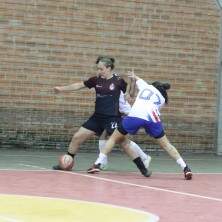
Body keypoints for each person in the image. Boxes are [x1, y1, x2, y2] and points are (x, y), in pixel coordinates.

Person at [52, 56, 151, 177]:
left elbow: (130, 95)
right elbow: (79, 85)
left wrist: (133, 83)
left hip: (112, 118)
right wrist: (61, 89)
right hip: (97, 117)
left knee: (123, 142)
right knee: (77, 137)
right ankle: (67, 163)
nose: (99, 71)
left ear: (109, 68)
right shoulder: (96, 80)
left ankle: (143, 168)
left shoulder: (119, 81)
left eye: (101, 69)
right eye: (97, 69)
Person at [88, 71, 193, 180]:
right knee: (167, 145)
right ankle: (185, 168)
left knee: (113, 138)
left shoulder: (146, 86)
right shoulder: (162, 99)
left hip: (135, 115)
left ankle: (98, 163)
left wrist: (133, 76)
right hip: (152, 118)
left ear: (153, 85)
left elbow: (137, 79)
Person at [98, 90, 152, 170]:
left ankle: (144, 157)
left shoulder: (116, 92)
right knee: (105, 135)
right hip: (117, 116)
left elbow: (123, 108)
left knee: (122, 140)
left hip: (124, 116)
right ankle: (102, 162)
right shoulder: (110, 90)